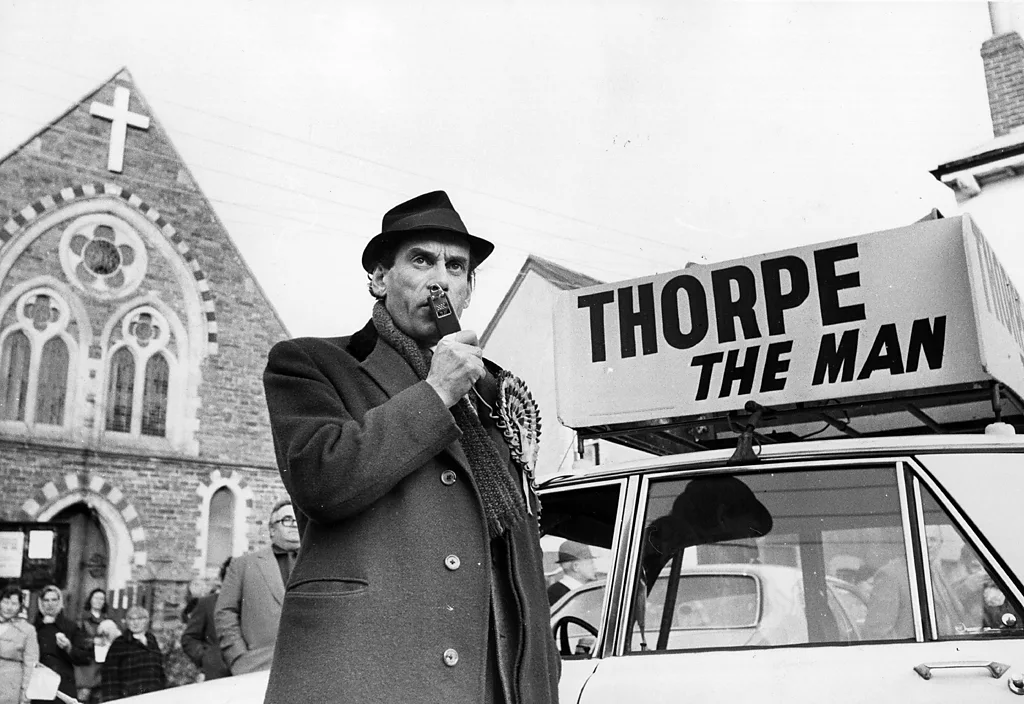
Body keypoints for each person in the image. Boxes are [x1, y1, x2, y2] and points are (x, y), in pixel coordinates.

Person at [261, 190, 559, 703]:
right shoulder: (312, 364)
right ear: (379, 279)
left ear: (466, 291)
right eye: (421, 259)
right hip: (375, 678)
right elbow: (322, 481)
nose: (440, 278)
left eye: (457, 267)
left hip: (495, 681)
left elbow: (521, 554)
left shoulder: (493, 394)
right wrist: (437, 393)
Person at [214, 500, 296, 675]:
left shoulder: (320, 565)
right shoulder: (244, 565)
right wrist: (238, 657)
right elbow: (225, 612)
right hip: (258, 667)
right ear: (272, 529)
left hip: (312, 669)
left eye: (299, 519)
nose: (294, 525)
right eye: (287, 519)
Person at [32, 585, 89, 704]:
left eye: (54, 600)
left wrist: (69, 648)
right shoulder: (33, 628)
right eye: (46, 600)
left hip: (63, 685)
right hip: (39, 684)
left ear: (60, 602)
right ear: (40, 603)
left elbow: (84, 657)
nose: (50, 604)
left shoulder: (70, 626)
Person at [99, 606, 165, 700]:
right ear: (127, 621)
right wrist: (112, 700)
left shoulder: (151, 640)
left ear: (146, 620)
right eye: (131, 619)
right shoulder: (120, 643)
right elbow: (109, 676)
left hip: (154, 696)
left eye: (140, 618)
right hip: (130, 697)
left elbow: (159, 669)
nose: (135, 622)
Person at [181, 558, 232, 681]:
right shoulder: (207, 603)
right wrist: (208, 657)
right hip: (217, 675)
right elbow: (189, 638)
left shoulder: (253, 605)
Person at [0, 585, 38, 704]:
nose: (9, 607)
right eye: (6, 602)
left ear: (20, 606)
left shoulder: (27, 630)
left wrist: (26, 694)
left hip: (10, 686)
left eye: (14, 604)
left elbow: (31, 664)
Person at [75, 588, 108, 703]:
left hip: (102, 663)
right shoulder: (81, 618)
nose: (99, 601)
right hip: (87, 664)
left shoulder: (108, 620)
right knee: (83, 697)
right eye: (96, 598)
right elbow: (77, 639)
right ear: (90, 600)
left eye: (102, 599)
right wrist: (93, 641)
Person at [548, 541, 598, 605]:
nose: (595, 567)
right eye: (591, 563)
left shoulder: (554, 592)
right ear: (576, 566)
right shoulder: (554, 595)